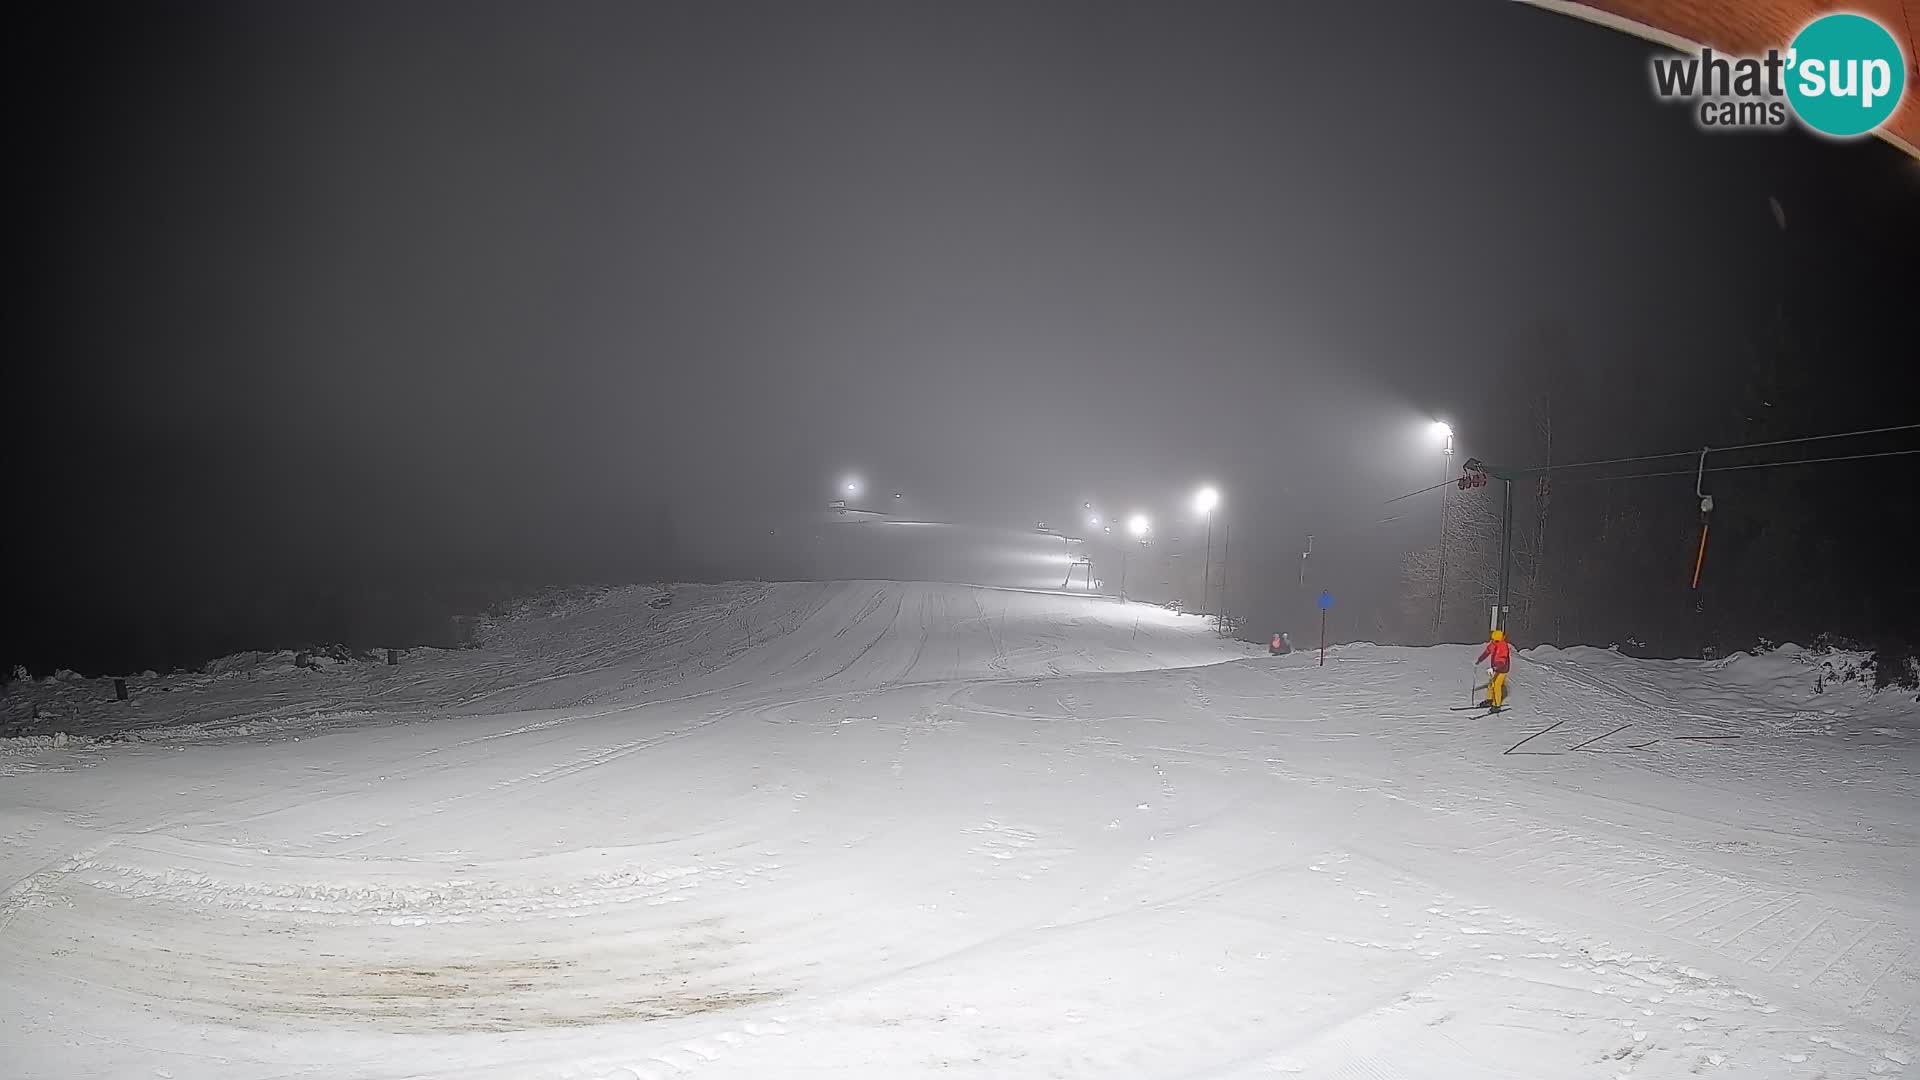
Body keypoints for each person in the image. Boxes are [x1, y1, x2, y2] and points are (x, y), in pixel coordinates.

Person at [1477, 629, 1512, 711]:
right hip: (1495, 668)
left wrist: (1494, 668)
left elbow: (1502, 661)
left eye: (1494, 640)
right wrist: (1480, 660)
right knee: (1491, 685)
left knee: (1497, 685)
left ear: (1498, 639)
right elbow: (1488, 651)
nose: (1492, 641)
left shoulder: (1503, 647)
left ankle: (1497, 705)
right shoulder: (1494, 643)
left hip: (1503, 669)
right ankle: (1490, 700)